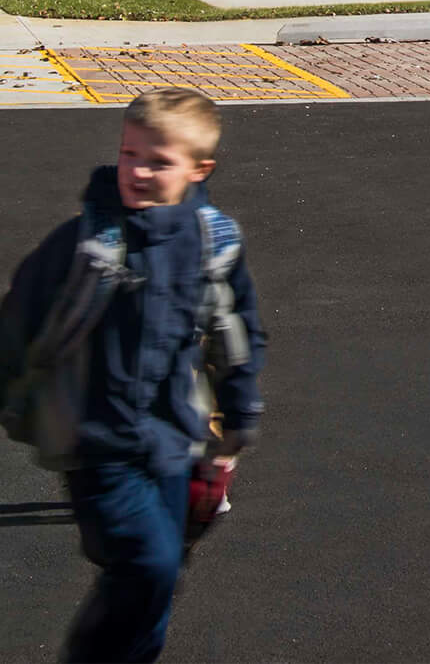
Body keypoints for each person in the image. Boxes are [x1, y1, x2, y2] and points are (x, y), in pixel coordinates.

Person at [0, 87, 266, 664]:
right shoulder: (85, 245)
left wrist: (240, 414)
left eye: (158, 161)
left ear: (199, 169)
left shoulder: (211, 244)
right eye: (128, 154)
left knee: (162, 576)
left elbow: (237, 332)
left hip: (173, 440)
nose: (138, 171)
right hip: (96, 443)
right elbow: (17, 319)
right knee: (147, 563)